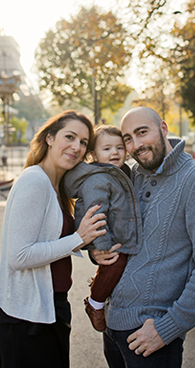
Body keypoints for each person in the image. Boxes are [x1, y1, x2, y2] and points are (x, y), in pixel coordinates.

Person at [91, 106, 195, 367]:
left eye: (142, 133)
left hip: (152, 335)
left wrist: (169, 328)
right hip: (114, 328)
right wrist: (96, 251)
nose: (136, 145)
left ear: (163, 129)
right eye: (128, 138)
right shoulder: (131, 176)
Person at [0, 110, 108, 368]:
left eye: (83, 143)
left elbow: (53, 240)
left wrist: (90, 246)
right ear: (49, 138)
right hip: (26, 317)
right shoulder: (34, 180)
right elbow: (19, 256)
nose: (76, 147)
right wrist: (77, 239)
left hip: (49, 308)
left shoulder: (58, 186)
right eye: (69, 137)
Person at [62, 124, 141, 332]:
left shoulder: (123, 173)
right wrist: (102, 246)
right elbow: (95, 213)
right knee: (114, 263)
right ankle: (95, 304)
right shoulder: (98, 179)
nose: (114, 152)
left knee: (113, 268)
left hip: (122, 235)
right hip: (108, 238)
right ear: (94, 155)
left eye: (119, 147)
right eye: (107, 149)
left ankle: (99, 290)